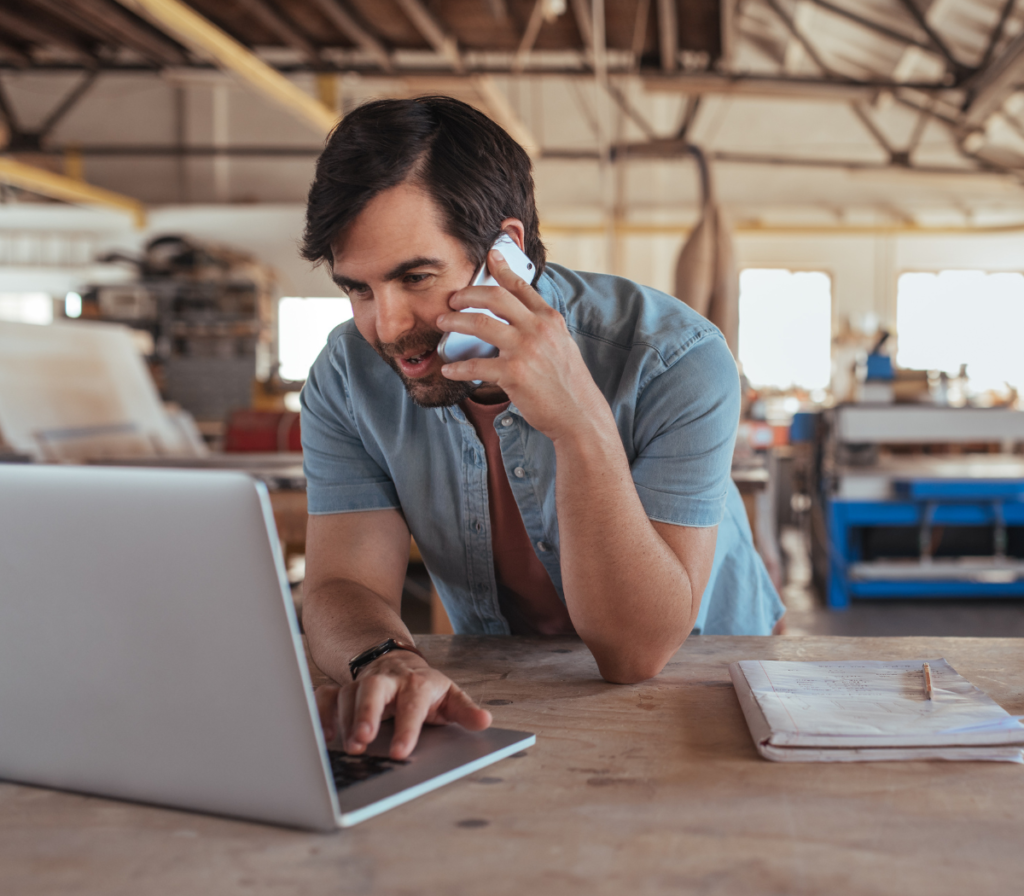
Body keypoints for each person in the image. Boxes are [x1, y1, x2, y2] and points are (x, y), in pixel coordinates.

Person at [299, 96, 784, 762]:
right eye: (358, 288)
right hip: (503, 690)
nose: (385, 326)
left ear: (506, 251)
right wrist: (383, 657)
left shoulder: (677, 359)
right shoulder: (346, 376)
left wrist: (580, 425)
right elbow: (340, 587)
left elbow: (635, 654)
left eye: (416, 277)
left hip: (711, 682)